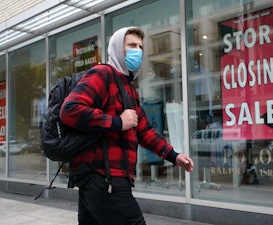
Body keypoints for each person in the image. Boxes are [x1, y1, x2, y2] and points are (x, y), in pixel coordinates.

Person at [60, 26, 194, 225]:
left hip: (103, 179)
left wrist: (174, 156)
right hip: (104, 177)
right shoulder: (102, 74)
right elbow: (70, 110)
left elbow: (143, 130)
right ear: (117, 49)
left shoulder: (128, 86)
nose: (137, 51)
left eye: (140, 47)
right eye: (131, 45)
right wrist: (117, 122)